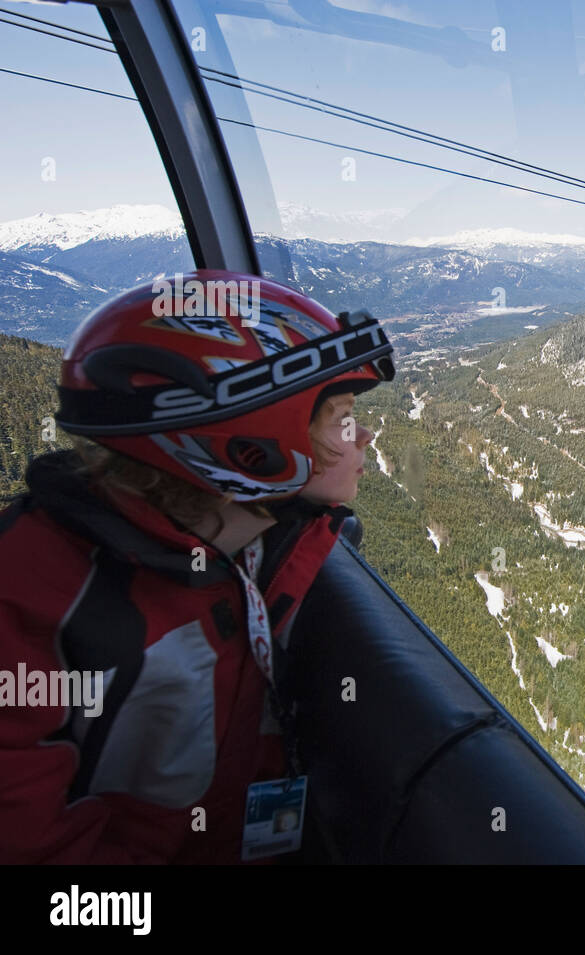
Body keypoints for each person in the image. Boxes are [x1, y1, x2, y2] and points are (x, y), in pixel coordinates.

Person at [0, 270, 394, 863]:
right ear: (250, 443)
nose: (364, 434)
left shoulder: (249, 541)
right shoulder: (31, 596)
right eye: (339, 416)